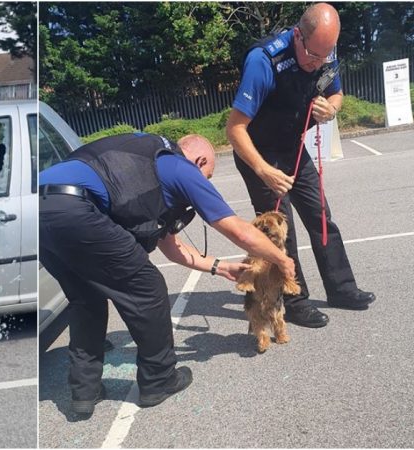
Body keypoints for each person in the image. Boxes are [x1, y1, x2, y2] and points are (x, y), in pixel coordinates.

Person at [39, 132, 296, 415]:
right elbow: (238, 230)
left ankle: (84, 391)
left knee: (86, 300)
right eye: (207, 176)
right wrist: (282, 261)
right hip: (77, 208)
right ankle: (158, 380)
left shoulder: (144, 167)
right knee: (148, 288)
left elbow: (171, 248)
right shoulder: (179, 168)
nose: (203, 183)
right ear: (199, 161)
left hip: (37, 209)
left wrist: (220, 267)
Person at [226, 3, 375, 329]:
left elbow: (337, 95)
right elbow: (234, 129)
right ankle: (295, 301)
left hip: (293, 147)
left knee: (321, 216)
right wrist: (263, 170)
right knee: (281, 232)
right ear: (297, 35)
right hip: (258, 152)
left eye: (325, 56)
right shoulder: (264, 61)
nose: (318, 63)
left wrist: (330, 109)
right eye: (312, 55)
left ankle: (342, 288)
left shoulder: (325, 51)